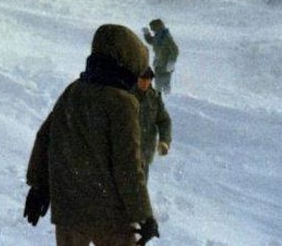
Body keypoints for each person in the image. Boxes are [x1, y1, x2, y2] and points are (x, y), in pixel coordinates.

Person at [24, 24, 159, 246]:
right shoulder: (122, 103)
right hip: (108, 216)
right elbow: (127, 165)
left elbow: (46, 138)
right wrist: (143, 215)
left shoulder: (73, 90)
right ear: (127, 64)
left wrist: (39, 187)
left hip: (68, 210)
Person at [133, 67, 171, 180]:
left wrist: (164, 141)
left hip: (145, 151)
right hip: (128, 151)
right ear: (137, 79)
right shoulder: (127, 96)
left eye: (148, 80)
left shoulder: (154, 98)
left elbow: (164, 120)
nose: (145, 83)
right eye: (142, 79)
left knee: (142, 187)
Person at [142, 18, 179, 94]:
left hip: (166, 65)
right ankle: (161, 97)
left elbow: (175, 50)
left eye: (153, 28)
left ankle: (166, 98)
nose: (152, 30)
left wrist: (171, 62)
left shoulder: (166, 37)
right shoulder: (158, 35)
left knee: (165, 84)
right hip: (159, 64)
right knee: (158, 85)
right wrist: (147, 34)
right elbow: (151, 41)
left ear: (158, 27)